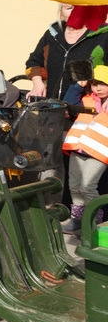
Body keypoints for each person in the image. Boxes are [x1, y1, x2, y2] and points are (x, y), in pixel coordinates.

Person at [26, 4, 108, 101]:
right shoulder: (52, 34)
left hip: (87, 107)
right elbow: (34, 62)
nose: (75, 12)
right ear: (61, 13)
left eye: (79, 8)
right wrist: (37, 83)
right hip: (51, 105)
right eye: (69, 8)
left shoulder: (103, 36)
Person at [61, 64, 108, 233]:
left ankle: (95, 224)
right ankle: (78, 220)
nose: (99, 88)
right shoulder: (86, 99)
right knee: (74, 186)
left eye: (103, 84)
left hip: (99, 151)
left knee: (87, 187)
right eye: (95, 84)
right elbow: (68, 104)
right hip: (79, 147)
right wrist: (79, 84)